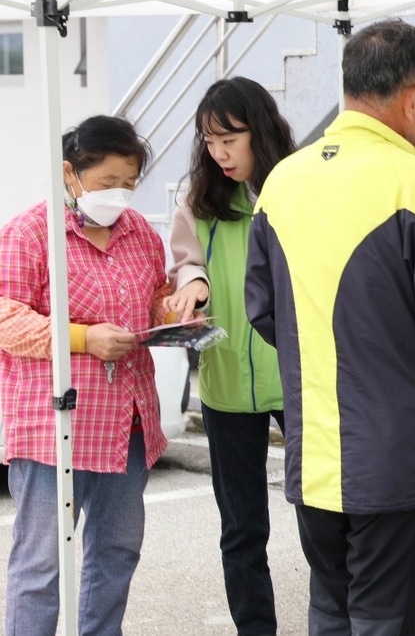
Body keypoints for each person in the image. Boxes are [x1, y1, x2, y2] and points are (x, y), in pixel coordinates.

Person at [244, 18, 415, 636]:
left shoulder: (282, 181)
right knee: (390, 623)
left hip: (315, 455)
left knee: (330, 615)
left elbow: (263, 311)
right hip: (398, 464)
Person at [0, 115, 172, 636]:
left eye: (130, 183)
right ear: (70, 173)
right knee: (42, 563)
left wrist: (171, 308)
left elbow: (153, 296)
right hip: (57, 426)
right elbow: (6, 317)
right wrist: (83, 337)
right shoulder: (32, 232)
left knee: (116, 553)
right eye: (107, 183)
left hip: (129, 422)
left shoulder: (140, 232)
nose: (120, 194)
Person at [165, 77, 295, 636]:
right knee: (242, 530)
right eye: (208, 140)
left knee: (328, 517)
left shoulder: (296, 190)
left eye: (230, 139)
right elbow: (186, 261)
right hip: (224, 386)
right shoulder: (198, 199)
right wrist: (192, 285)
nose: (218, 153)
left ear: (259, 133)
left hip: (296, 380)